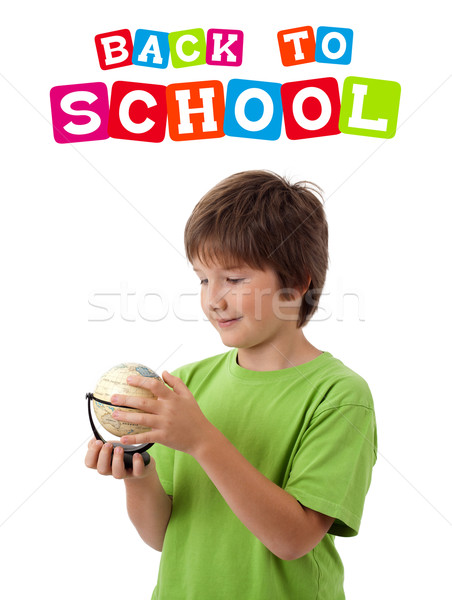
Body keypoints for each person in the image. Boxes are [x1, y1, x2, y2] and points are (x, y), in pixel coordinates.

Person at [85, 170, 377, 599]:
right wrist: (138, 475)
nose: (212, 299)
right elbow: (164, 535)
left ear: (295, 286)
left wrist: (201, 439)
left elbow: (292, 540)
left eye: (234, 279)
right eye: (203, 278)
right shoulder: (186, 385)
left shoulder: (338, 395)